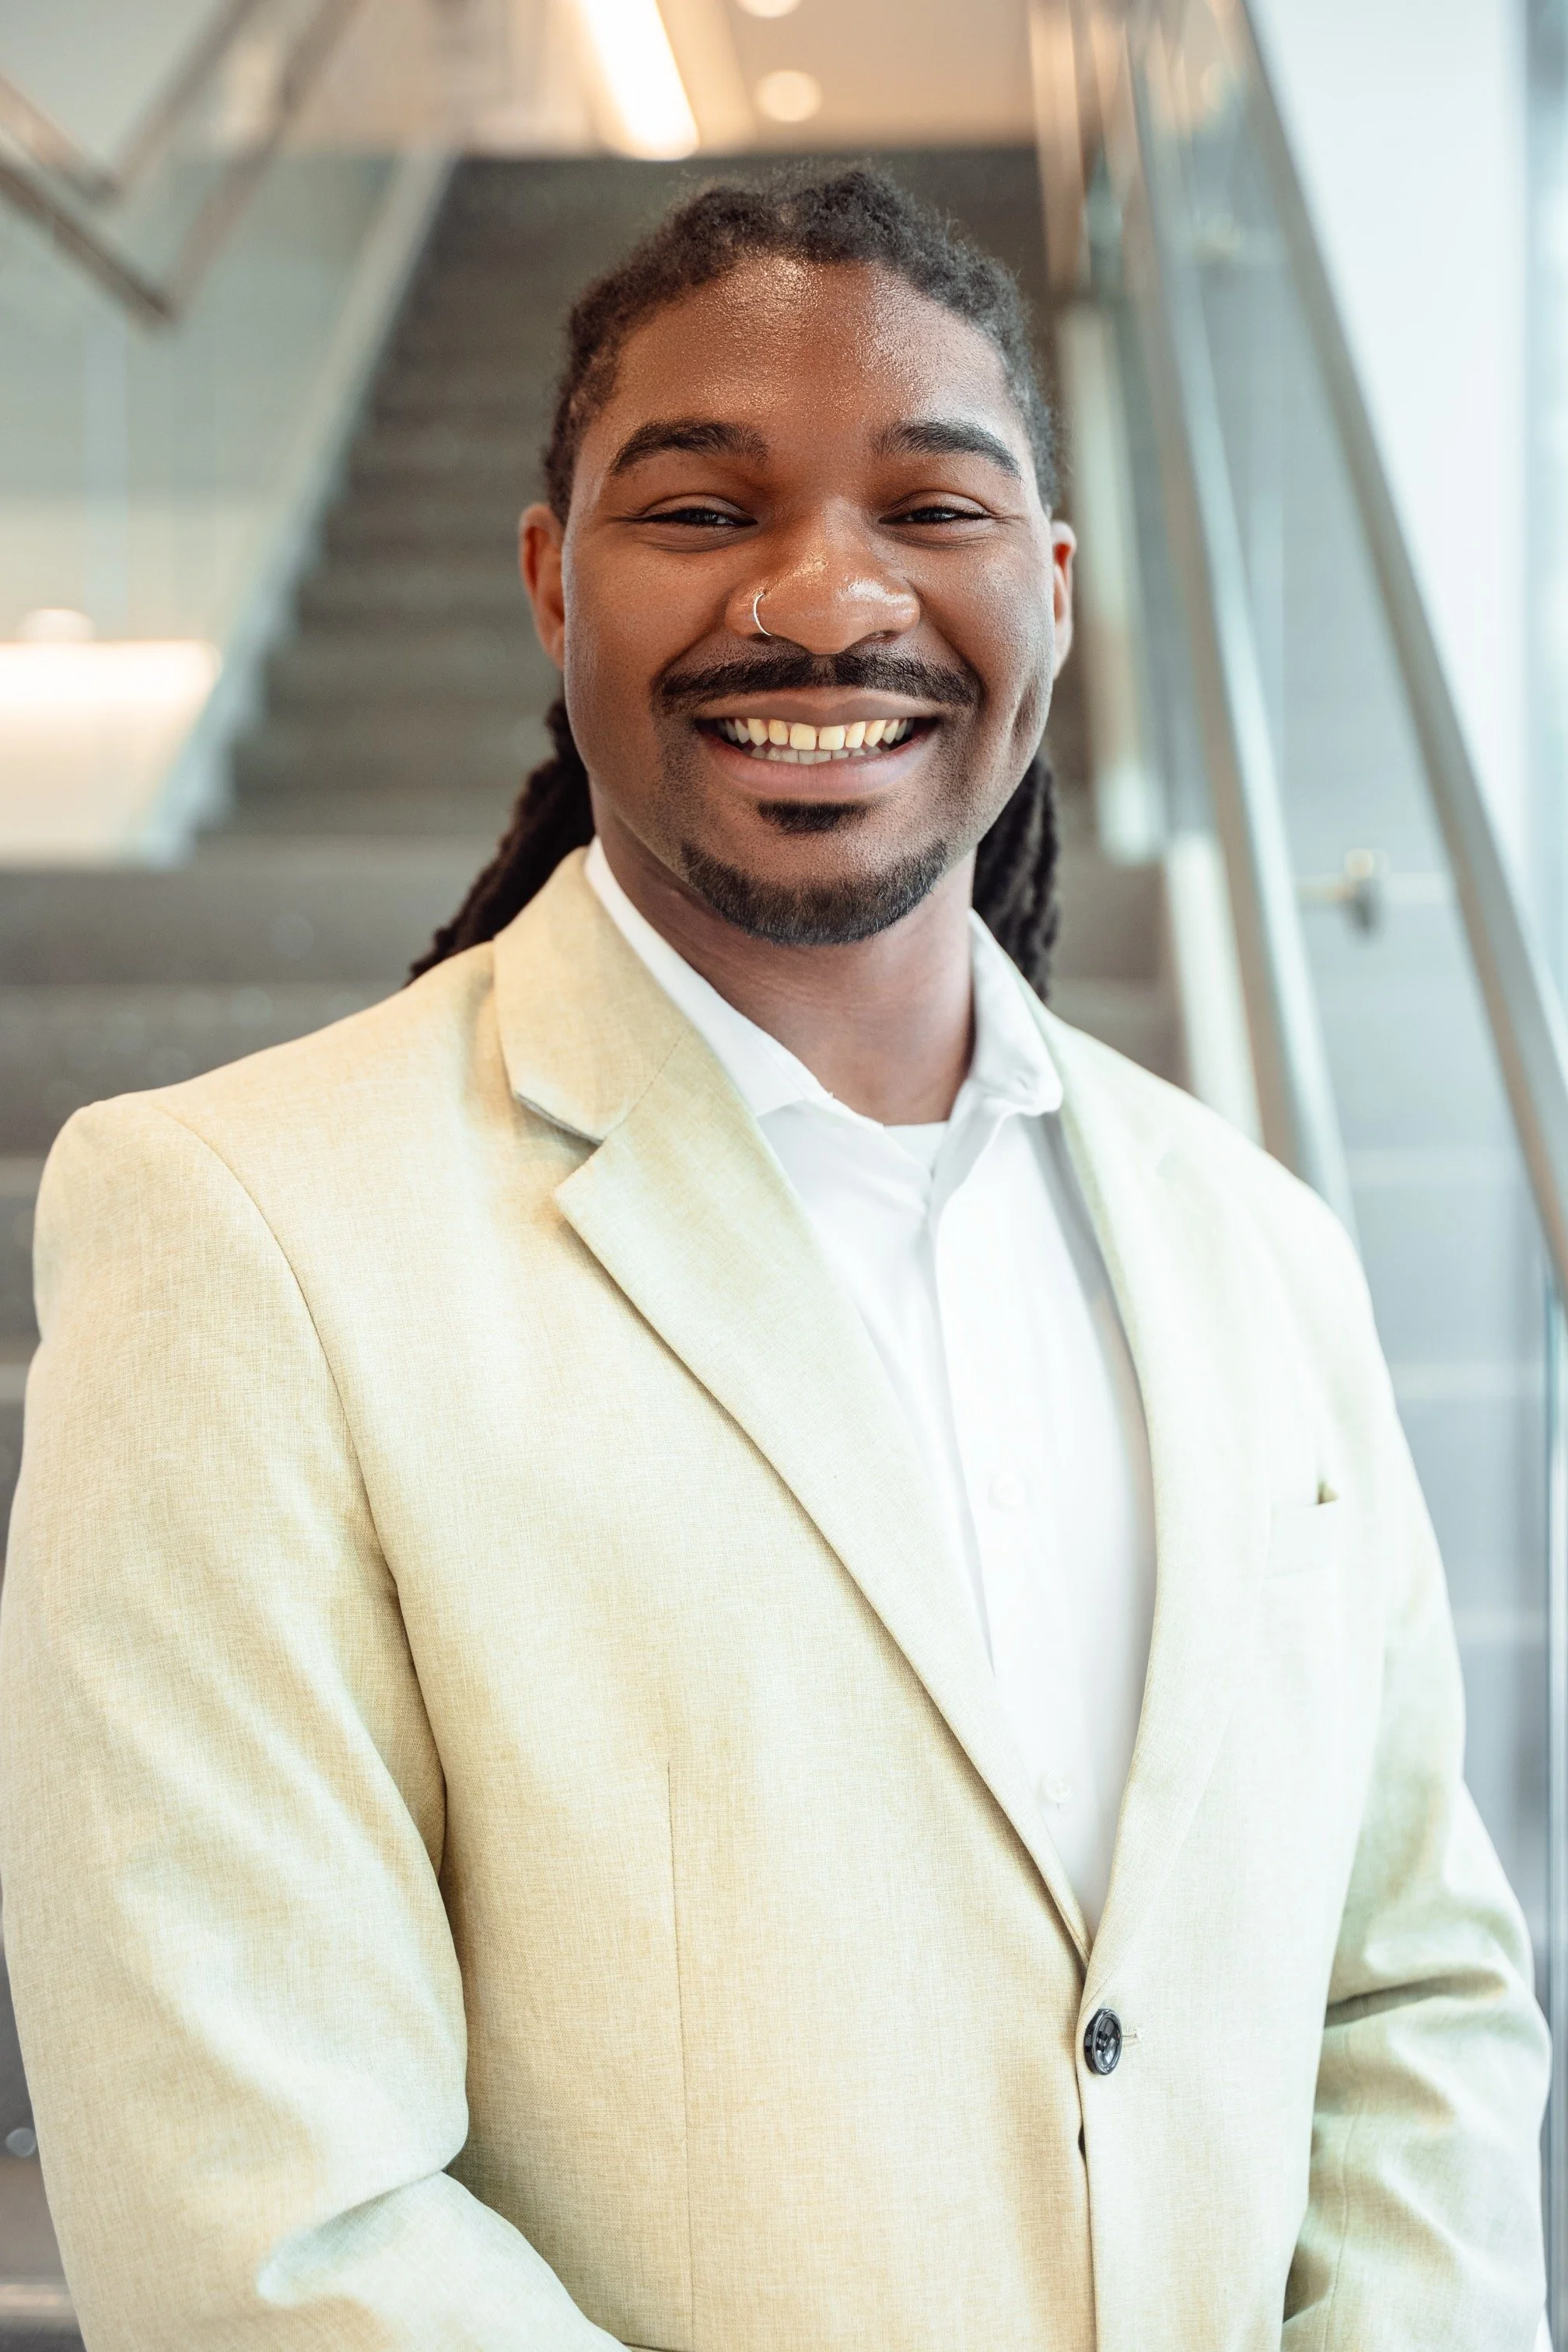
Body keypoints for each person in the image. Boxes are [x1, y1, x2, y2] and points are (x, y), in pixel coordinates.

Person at [0, 166, 1549, 2351]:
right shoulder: (248, 1236)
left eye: (934, 505)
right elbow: (269, 2224)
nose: (827, 599)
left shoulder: (1259, 1247)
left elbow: (1416, 1988)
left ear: (1057, 587)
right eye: (703, 509)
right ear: (552, 579)